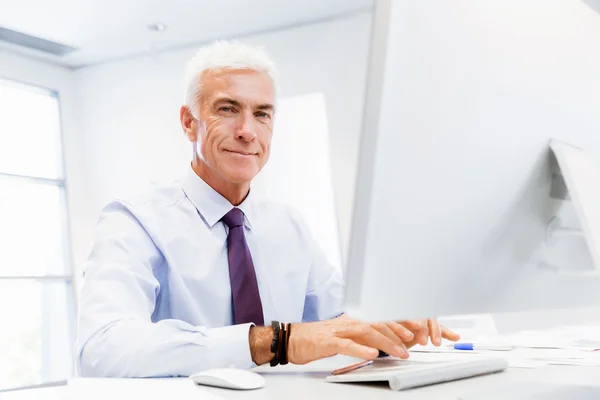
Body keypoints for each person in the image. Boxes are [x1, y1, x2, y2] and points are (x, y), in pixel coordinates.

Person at [75, 40, 459, 378]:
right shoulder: (134, 221)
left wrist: (390, 320)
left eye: (262, 114)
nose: (248, 131)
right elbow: (101, 347)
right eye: (227, 109)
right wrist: (274, 342)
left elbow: (338, 319)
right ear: (189, 123)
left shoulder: (287, 224)